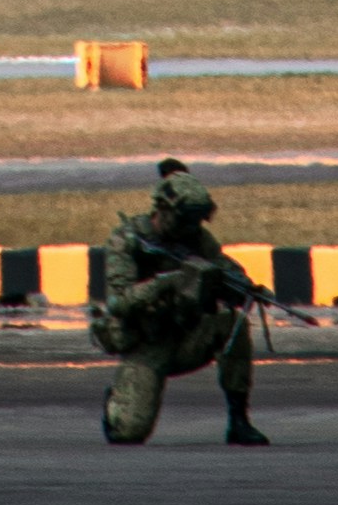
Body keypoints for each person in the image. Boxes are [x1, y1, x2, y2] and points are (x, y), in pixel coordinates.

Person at [91, 157, 268, 451]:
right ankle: (118, 401)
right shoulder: (128, 240)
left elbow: (223, 266)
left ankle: (239, 420)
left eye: (195, 221)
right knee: (128, 434)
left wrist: (243, 286)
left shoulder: (197, 240)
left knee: (232, 323)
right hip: (146, 345)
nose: (190, 227)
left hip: (186, 336)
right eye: (184, 219)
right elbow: (119, 302)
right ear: (162, 210)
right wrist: (167, 281)